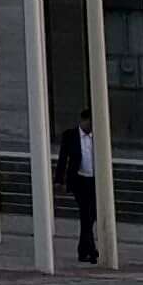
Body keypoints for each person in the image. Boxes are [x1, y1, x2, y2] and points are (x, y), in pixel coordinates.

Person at [56, 114, 101, 266]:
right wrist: (59, 180)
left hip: (94, 180)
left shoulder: (98, 135)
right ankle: (89, 249)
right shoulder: (70, 135)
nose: (91, 126)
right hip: (79, 180)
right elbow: (63, 158)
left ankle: (86, 248)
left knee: (91, 215)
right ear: (82, 120)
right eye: (89, 122)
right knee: (85, 213)